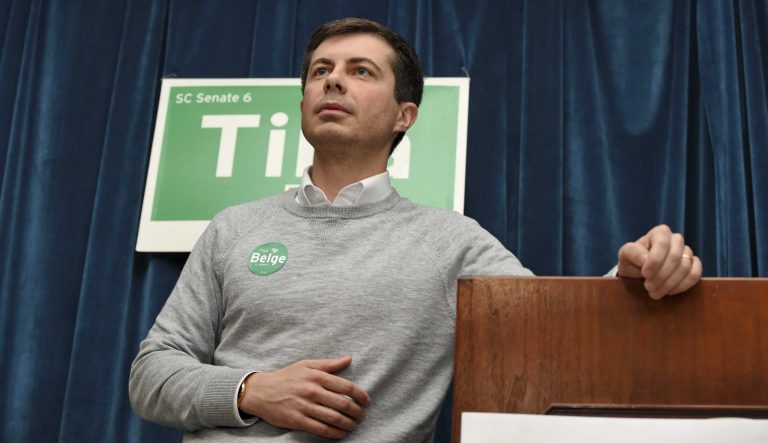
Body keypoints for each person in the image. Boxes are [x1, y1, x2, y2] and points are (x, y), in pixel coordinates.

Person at [129, 17, 702, 442]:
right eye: (320, 72)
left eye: (360, 72)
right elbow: (152, 373)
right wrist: (251, 391)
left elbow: (553, 331)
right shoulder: (234, 228)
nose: (332, 83)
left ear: (405, 115)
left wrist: (632, 275)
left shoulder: (449, 240)